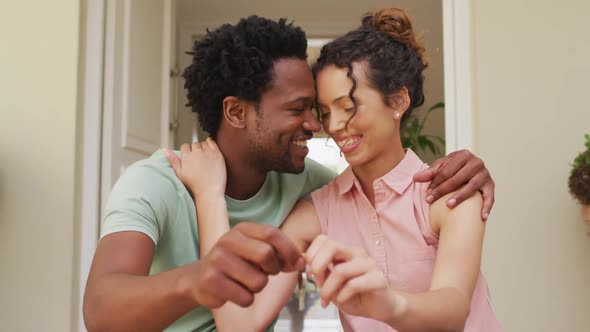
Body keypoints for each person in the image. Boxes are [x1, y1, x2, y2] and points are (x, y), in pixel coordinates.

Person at [84, 15, 496, 332]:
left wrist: (386, 303)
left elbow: (452, 308)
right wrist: (211, 196)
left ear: (398, 101)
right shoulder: (317, 204)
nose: (328, 126)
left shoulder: (445, 192)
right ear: (235, 111)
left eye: (347, 107)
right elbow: (234, 323)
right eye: (318, 110)